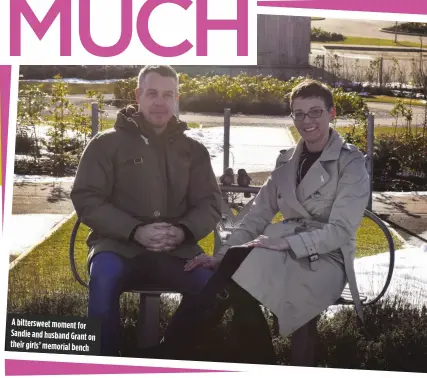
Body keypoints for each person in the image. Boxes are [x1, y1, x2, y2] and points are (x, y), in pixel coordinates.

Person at [152, 79, 370, 364]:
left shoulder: (351, 163)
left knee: (236, 274)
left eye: (315, 112)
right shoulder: (287, 162)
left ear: (332, 113)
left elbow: (340, 231)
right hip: (281, 253)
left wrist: (284, 243)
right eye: (299, 114)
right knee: (236, 272)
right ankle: (250, 359)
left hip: (327, 258)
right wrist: (221, 255)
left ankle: (173, 348)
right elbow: (257, 214)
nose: (307, 121)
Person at [70, 65, 224, 357]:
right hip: (116, 247)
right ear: (138, 95)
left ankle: (165, 357)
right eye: (152, 93)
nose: (160, 102)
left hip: (178, 251)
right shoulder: (106, 144)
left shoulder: (193, 150)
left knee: (209, 286)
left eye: (168, 94)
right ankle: (104, 363)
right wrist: (134, 230)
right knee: (103, 278)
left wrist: (183, 231)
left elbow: (209, 203)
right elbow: (87, 198)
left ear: (176, 98)